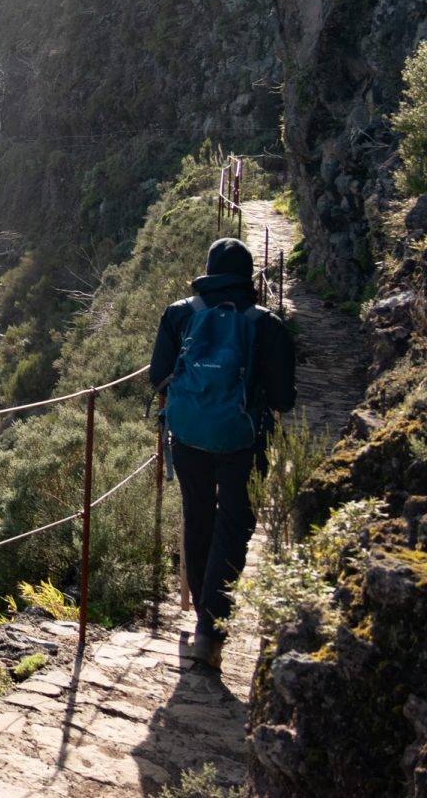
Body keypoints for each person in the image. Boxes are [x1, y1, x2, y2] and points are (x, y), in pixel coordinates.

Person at [149, 236, 296, 671]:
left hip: (189, 436)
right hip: (242, 442)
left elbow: (158, 376)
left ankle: (202, 620)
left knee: (198, 518)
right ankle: (210, 631)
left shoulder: (179, 314)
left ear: (208, 272)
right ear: (248, 277)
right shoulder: (266, 324)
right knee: (234, 525)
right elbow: (285, 399)